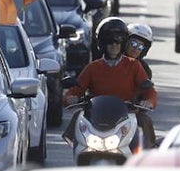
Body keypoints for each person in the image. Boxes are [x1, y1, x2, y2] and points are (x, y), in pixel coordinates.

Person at [63, 17, 157, 148]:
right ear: (102, 44)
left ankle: (146, 156)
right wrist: (70, 97)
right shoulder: (93, 67)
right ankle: (79, 150)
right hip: (95, 117)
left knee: (144, 120)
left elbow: (150, 92)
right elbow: (76, 89)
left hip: (127, 116)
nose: (114, 46)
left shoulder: (135, 65)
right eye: (110, 42)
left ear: (123, 44)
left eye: (118, 43)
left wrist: (149, 102)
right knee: (78, 115)